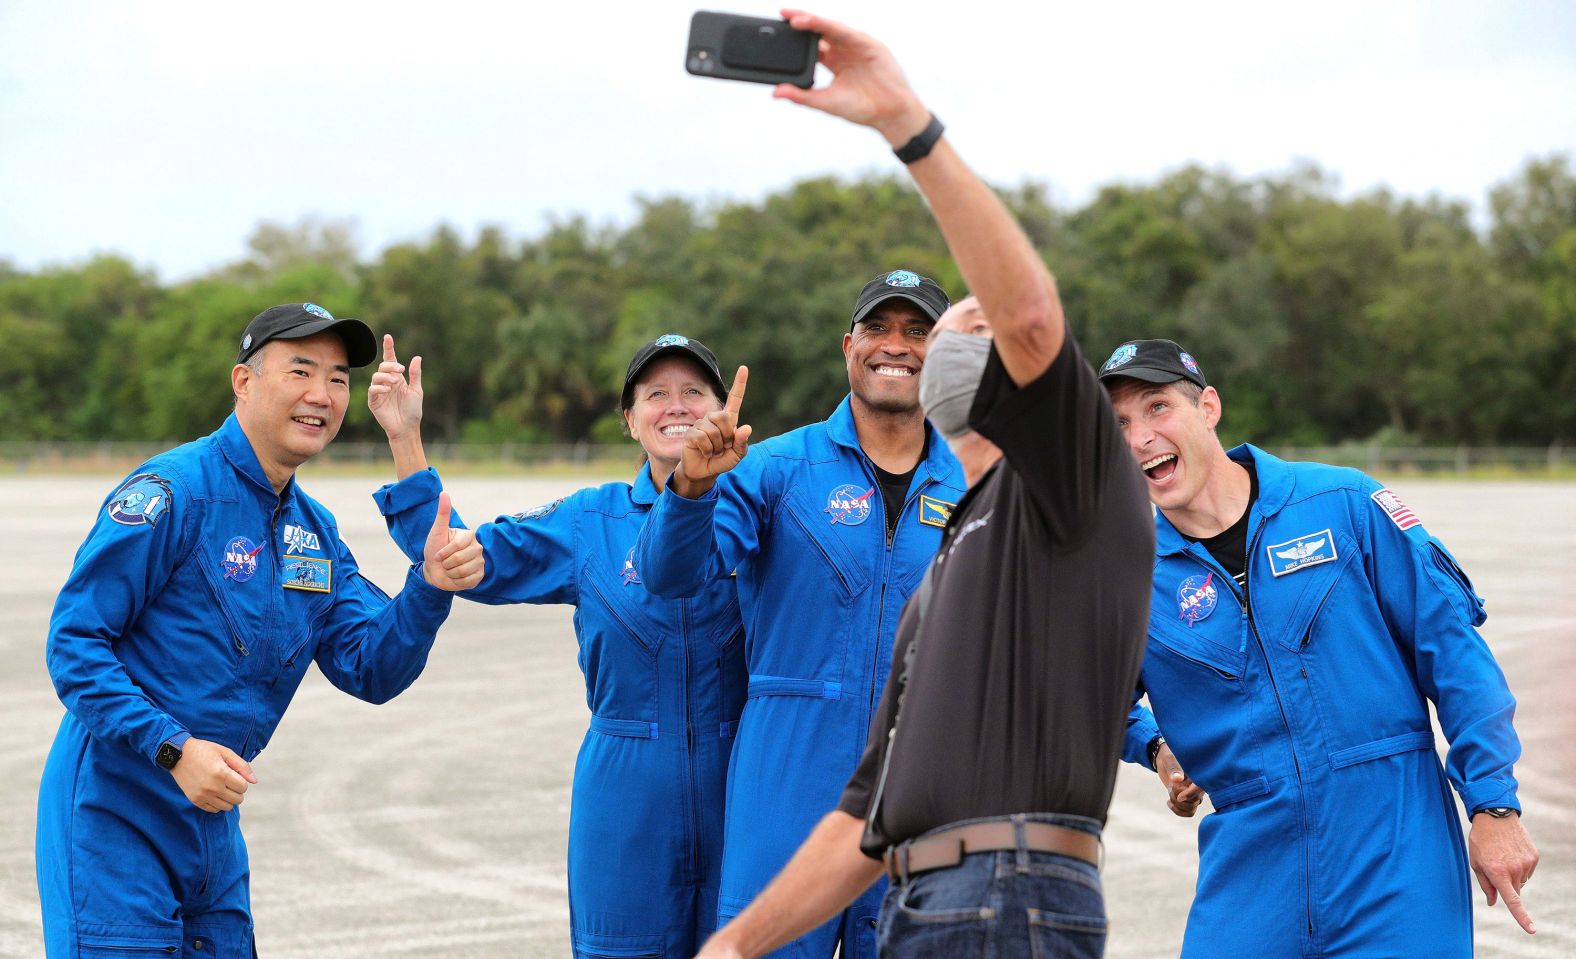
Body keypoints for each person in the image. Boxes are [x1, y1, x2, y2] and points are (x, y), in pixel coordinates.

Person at [677, 12, 1154, 958]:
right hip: (926, 899)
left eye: (950, 326)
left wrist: (910, 129)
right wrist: (736, 944)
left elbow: (1023, 308)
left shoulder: (1069, 483)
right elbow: (868, 812)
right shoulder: (956, 550)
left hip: (1008, 893)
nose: (919, 348)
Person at [36, 303, 485, 957]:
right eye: (300, 370)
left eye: (337, 378)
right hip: (115, 812)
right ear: (243, 383)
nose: (321, 394)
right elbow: (74, 644)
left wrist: (429, 587)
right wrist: (173, 749)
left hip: (212, 825)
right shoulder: (174, 493)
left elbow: (372, 667)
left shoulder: (314, 533)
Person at [1101, 338, 1540, 957]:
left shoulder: (1342, 506)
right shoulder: (1127, 575)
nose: (1139, 437)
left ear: (1207, 407)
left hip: (1396, 849)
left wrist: (1494, 807)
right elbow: (1086, 700)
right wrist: (1155, 744)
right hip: (1251, 864)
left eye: (1156, 408)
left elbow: (1454, 654)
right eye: (1118, 424)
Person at [368, 332, 748, 959]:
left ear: (721, 409)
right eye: (656, 395)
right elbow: (459, 557)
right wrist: (405, 438)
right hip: (626, 792)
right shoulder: (587, 521)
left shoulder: (757, 508)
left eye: (694, 393)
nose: (676, 407)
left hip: (741, 778)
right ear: (630, 421)